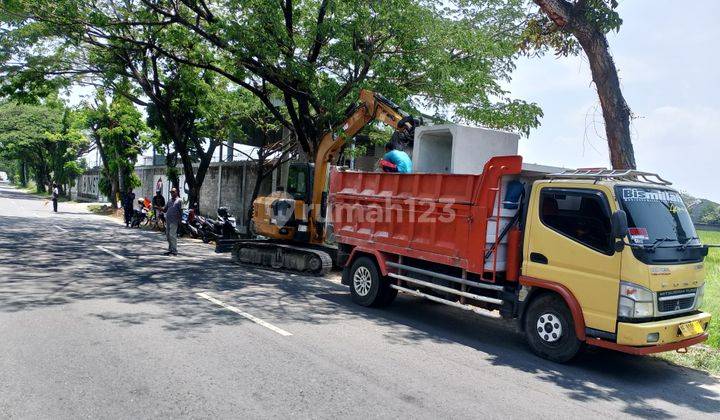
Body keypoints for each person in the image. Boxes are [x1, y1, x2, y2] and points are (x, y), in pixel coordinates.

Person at [163, 188, 182, 256]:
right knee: (168, 235)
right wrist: (158, 207)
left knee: (172, 235)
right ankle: (170, 249)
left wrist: (180, 220)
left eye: (173, 192)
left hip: (175, 221)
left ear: (176, 192)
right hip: (168, 220)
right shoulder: (169, 201)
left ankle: (174, 251)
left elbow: (181, 211)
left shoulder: (179, 200)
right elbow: (165, 210)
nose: (172, 193)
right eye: (171, 192)